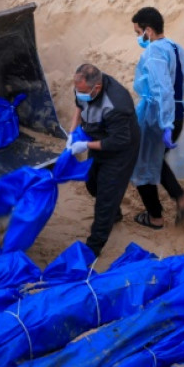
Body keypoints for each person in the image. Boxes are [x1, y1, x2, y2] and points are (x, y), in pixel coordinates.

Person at [129, 7, 184, 231]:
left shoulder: (154, 52)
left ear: (148, 30)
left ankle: (155, 217)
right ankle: (181, 198)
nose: (139, 37)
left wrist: (164, 123)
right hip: (178, 113)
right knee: (156, 159)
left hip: (158, 116)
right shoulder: (176, 48)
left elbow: (162, 89)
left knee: (142, 165)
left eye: (139, 32)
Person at [66, 64, 140, 257]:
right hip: (98, 139)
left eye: (82, 91)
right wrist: (72, 132)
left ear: (96, 88)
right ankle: (114, 211)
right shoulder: (85, 88)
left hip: (119, 151)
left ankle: (93, 248)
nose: (78, 93)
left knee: (105, 200)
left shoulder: (117, 104)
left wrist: (86, 146)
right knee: (92, 185)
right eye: (77, 90)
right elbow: (79, 106)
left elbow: (118, 141)